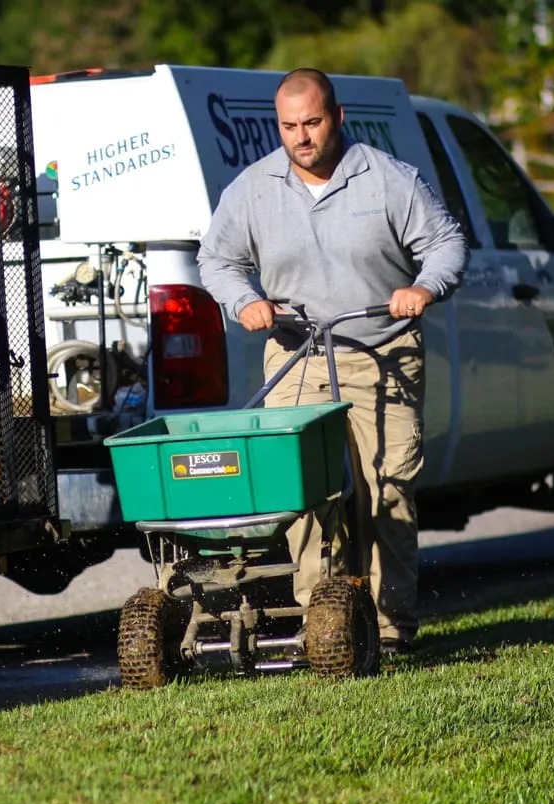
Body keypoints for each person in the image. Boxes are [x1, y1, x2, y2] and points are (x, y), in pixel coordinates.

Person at [197, 67, 468, 654]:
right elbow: (216, 261)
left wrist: (423, 287)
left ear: (338, 117)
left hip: (381, 351)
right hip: (298, 355)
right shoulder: (252, 189)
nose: (301, 137)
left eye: (313, 123)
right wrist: (245, 301)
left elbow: (447, 243)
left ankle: (390, 628)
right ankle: (325, 627)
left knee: (385, 491)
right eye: (289, 126)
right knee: (302, 495)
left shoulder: (389, 179)